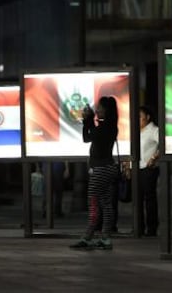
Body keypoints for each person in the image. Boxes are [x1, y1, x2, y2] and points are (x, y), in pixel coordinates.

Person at [70, 96, 118, 250]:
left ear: (107, 110)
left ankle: (88, 236)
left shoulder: (104, 127)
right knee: (105, 203)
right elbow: (91, 136)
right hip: (108, 168)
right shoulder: (110, 126)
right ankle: (105, 237)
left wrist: (87, 120)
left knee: (93, 202)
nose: (97, 110)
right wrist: (90, 120)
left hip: (101, 169)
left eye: (100, 108)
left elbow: (87, 138)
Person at [139, 106, 159, 237]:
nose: (138, 120)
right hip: (137, 168)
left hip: (149, 168)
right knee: (138, 199)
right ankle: (139, 228)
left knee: (149, 199)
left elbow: (164, 145)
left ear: (147, 117)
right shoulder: (136, 131)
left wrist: (154, 157)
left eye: (140, 117)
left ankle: (151, 228)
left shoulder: (154, 130)